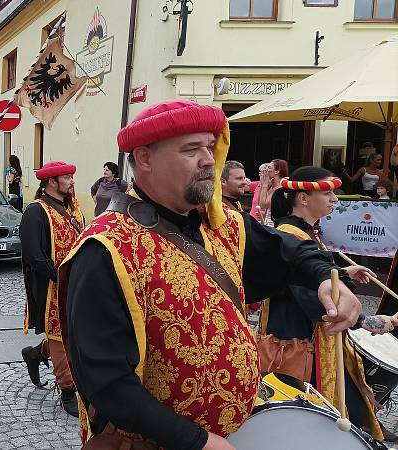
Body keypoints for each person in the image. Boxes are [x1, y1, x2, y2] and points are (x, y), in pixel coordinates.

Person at [59, 99, 364, 449]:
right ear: (144, 159)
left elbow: (290, 251)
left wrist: (326, 277)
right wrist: (197, 441)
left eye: (208, 145)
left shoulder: (223, 225)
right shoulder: (105, 249)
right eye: (191, 149)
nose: (208, 159)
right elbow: (107, 382)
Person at [263, 165, 396, 440]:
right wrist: (366, 321)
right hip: (299, 338)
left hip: (313, 334)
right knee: (315, 418)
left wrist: (344, 272)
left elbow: (313, 279)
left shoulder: (307, 232)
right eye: (328, 193)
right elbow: (313, 297)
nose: (335, 198)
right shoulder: (291, 235)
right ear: (303, 199)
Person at [20, 161, 84, 417]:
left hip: (75, 283)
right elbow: (34, 256)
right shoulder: (36, 212)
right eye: (66, 178)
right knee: (60, 337)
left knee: (74, 333)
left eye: (71, 177)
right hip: (51, 287)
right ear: (51, 183)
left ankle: (36, 354)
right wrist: (62, 278)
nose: (71, 181)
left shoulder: (72, 208)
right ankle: (67, 390)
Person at [257, 158, 289, 226]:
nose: (266, 170)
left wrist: (265, 184)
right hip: (267, 223)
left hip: (275, 225)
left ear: (277, 171)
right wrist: (263, 184)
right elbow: (259, 203)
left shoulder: (280, 188)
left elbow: (263, 205)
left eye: (269, 167)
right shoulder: (271, 185)